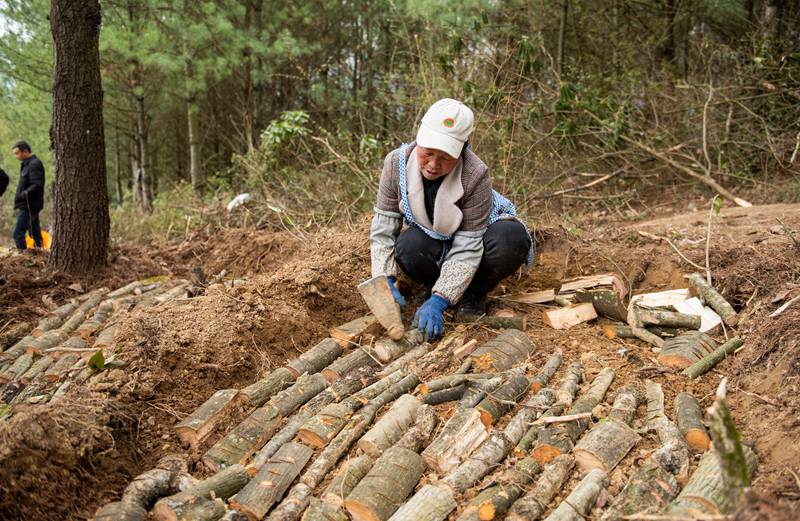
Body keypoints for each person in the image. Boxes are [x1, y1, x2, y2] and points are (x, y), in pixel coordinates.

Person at [370, 98, 533, 340]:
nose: (433, 165)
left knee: (511, 239)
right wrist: (384, 279)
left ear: (462, 149)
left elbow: (468, 245)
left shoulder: (475, 174)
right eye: (428, 153)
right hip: (433, 237)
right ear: (419, 138)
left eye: (445, 157)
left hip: (479, 240)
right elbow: (384, 227)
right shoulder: (396, 163)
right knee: (408, 246)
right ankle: (432, 285)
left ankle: (474, 293)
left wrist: (440, 300)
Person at [11, 141, 45, 250]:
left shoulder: (34, 164)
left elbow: (37, 184)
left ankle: (23, 257)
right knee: (34, 231)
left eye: (17, 153)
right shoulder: (27, 164)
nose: (15, 156)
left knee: (17, 233)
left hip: (29, 205)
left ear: (25, 151)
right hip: (27, 204)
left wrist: (24, 194)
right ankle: (39, 253)